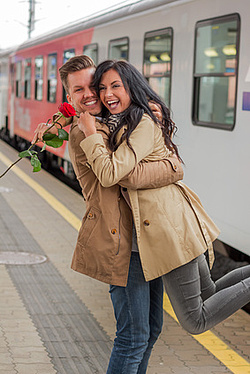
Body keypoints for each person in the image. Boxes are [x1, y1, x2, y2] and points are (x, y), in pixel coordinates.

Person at [32, 55, 184, 373]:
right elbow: (115, 174)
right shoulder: (85, 131)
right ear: (69, 98)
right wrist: (172, 168)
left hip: (146, 241)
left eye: (94, 86)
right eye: (79, 90)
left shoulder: (118, 123)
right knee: (132, 337)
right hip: (121, 246)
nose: (90, 94)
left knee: (151, 330)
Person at [77, 59, 250, 338]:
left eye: (116, 86)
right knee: (211, 292)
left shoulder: (141, 122)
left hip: (168, 232)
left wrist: (89, 134)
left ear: (132, 86)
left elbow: (110, 173)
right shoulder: (129, 120)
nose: (107, 94)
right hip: (176, 222)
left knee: (195, 320)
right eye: (102, 88)